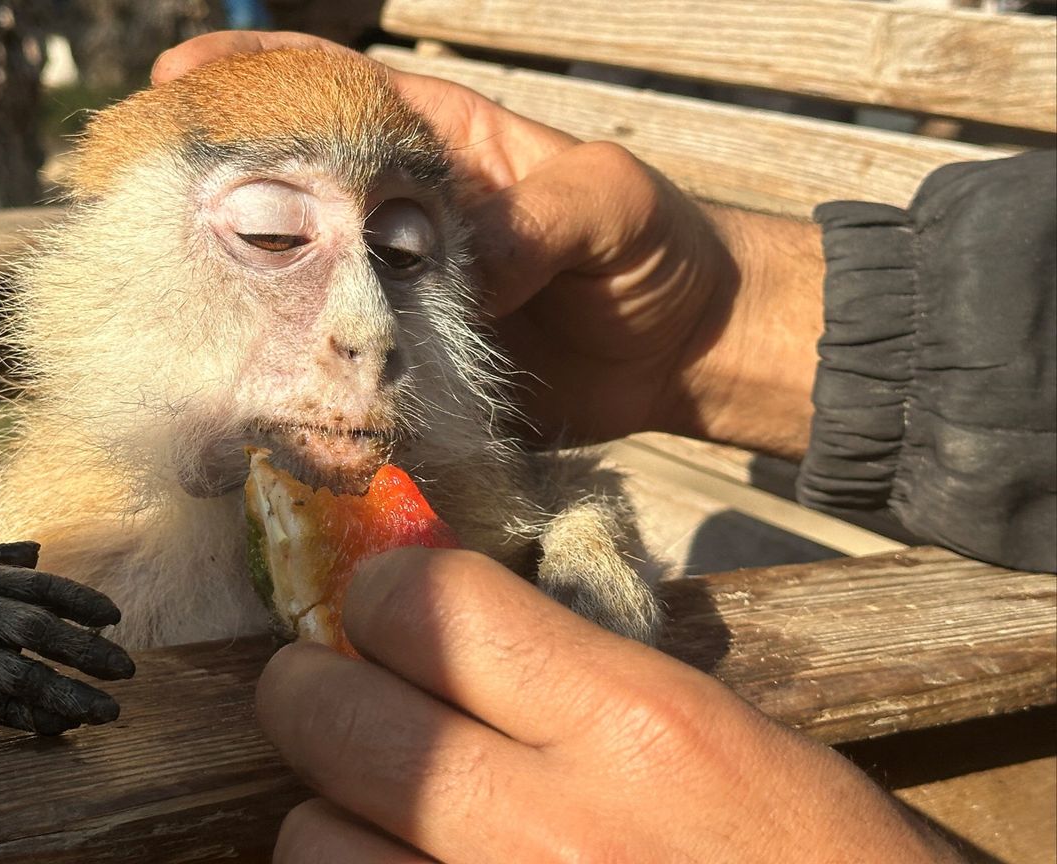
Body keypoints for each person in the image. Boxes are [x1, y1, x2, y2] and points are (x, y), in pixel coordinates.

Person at [152, 31, 1056, 864]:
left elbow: (538, 506)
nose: (370, 329)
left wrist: (578, 519)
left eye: (400, 248)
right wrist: (719, 321)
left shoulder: (467, 479)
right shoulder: (57, 515)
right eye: (271, 233)